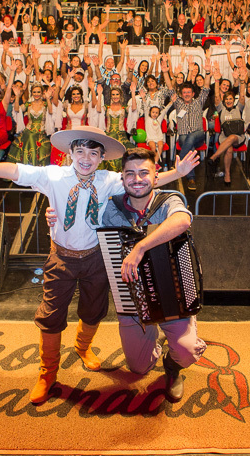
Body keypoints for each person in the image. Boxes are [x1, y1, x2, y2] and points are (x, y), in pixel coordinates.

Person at [0, 125, 198, 405]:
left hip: (96, 257)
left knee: (94, 308)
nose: (85, 158)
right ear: (69, 152)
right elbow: (15, 171)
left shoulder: (109, 180)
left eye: (93, 153)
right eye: (79, 151)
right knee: (51, 315)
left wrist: (177, 173)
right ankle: (48, 373)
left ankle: (83, 347)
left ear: (102, 157)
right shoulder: (52, 176)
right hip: (62, 257)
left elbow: (142, 180)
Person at [100, 146, 207, 402]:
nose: (137, 179)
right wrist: (54, 221)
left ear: (156, 176)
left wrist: (140, 247)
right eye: (130, 174)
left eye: (143, 173)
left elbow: (182, 221)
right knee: (139, 368)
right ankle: (153, 339)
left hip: (173, 298)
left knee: (187, 351)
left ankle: (172, 366)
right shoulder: (112, 209)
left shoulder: (169, 198)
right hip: (133, 301)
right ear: (122, 177)